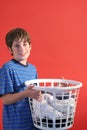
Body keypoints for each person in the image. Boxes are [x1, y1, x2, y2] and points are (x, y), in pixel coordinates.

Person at [0, 28, 42, 130]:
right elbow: (5, 100)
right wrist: (25, 94)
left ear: (30, 46)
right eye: (17, 45)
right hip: (16, 125)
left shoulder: (33, 69)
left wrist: (58, 90)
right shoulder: (8, 68)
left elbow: (37, 94)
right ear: (10, 49)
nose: (22, 49)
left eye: (25, 44)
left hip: (34, 123)